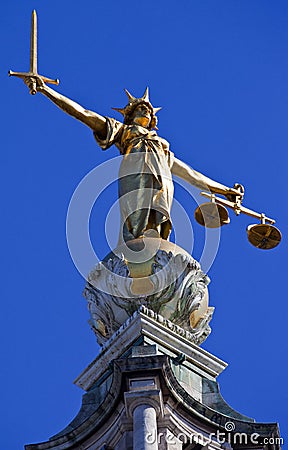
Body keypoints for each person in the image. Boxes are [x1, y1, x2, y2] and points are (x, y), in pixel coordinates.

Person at [24, 78, 242, 242]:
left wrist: (223, 191)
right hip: (135, 175)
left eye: (148, 110)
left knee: (157, 221)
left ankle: (154, 248)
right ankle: (133, 252)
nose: (144, 111)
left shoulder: (161, 146)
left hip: (162, 183)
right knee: (135, 218)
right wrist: (45, 89)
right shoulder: (123, 131)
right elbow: (84, 113)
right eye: (140, 108)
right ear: (130, 115)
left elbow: (190, 174)